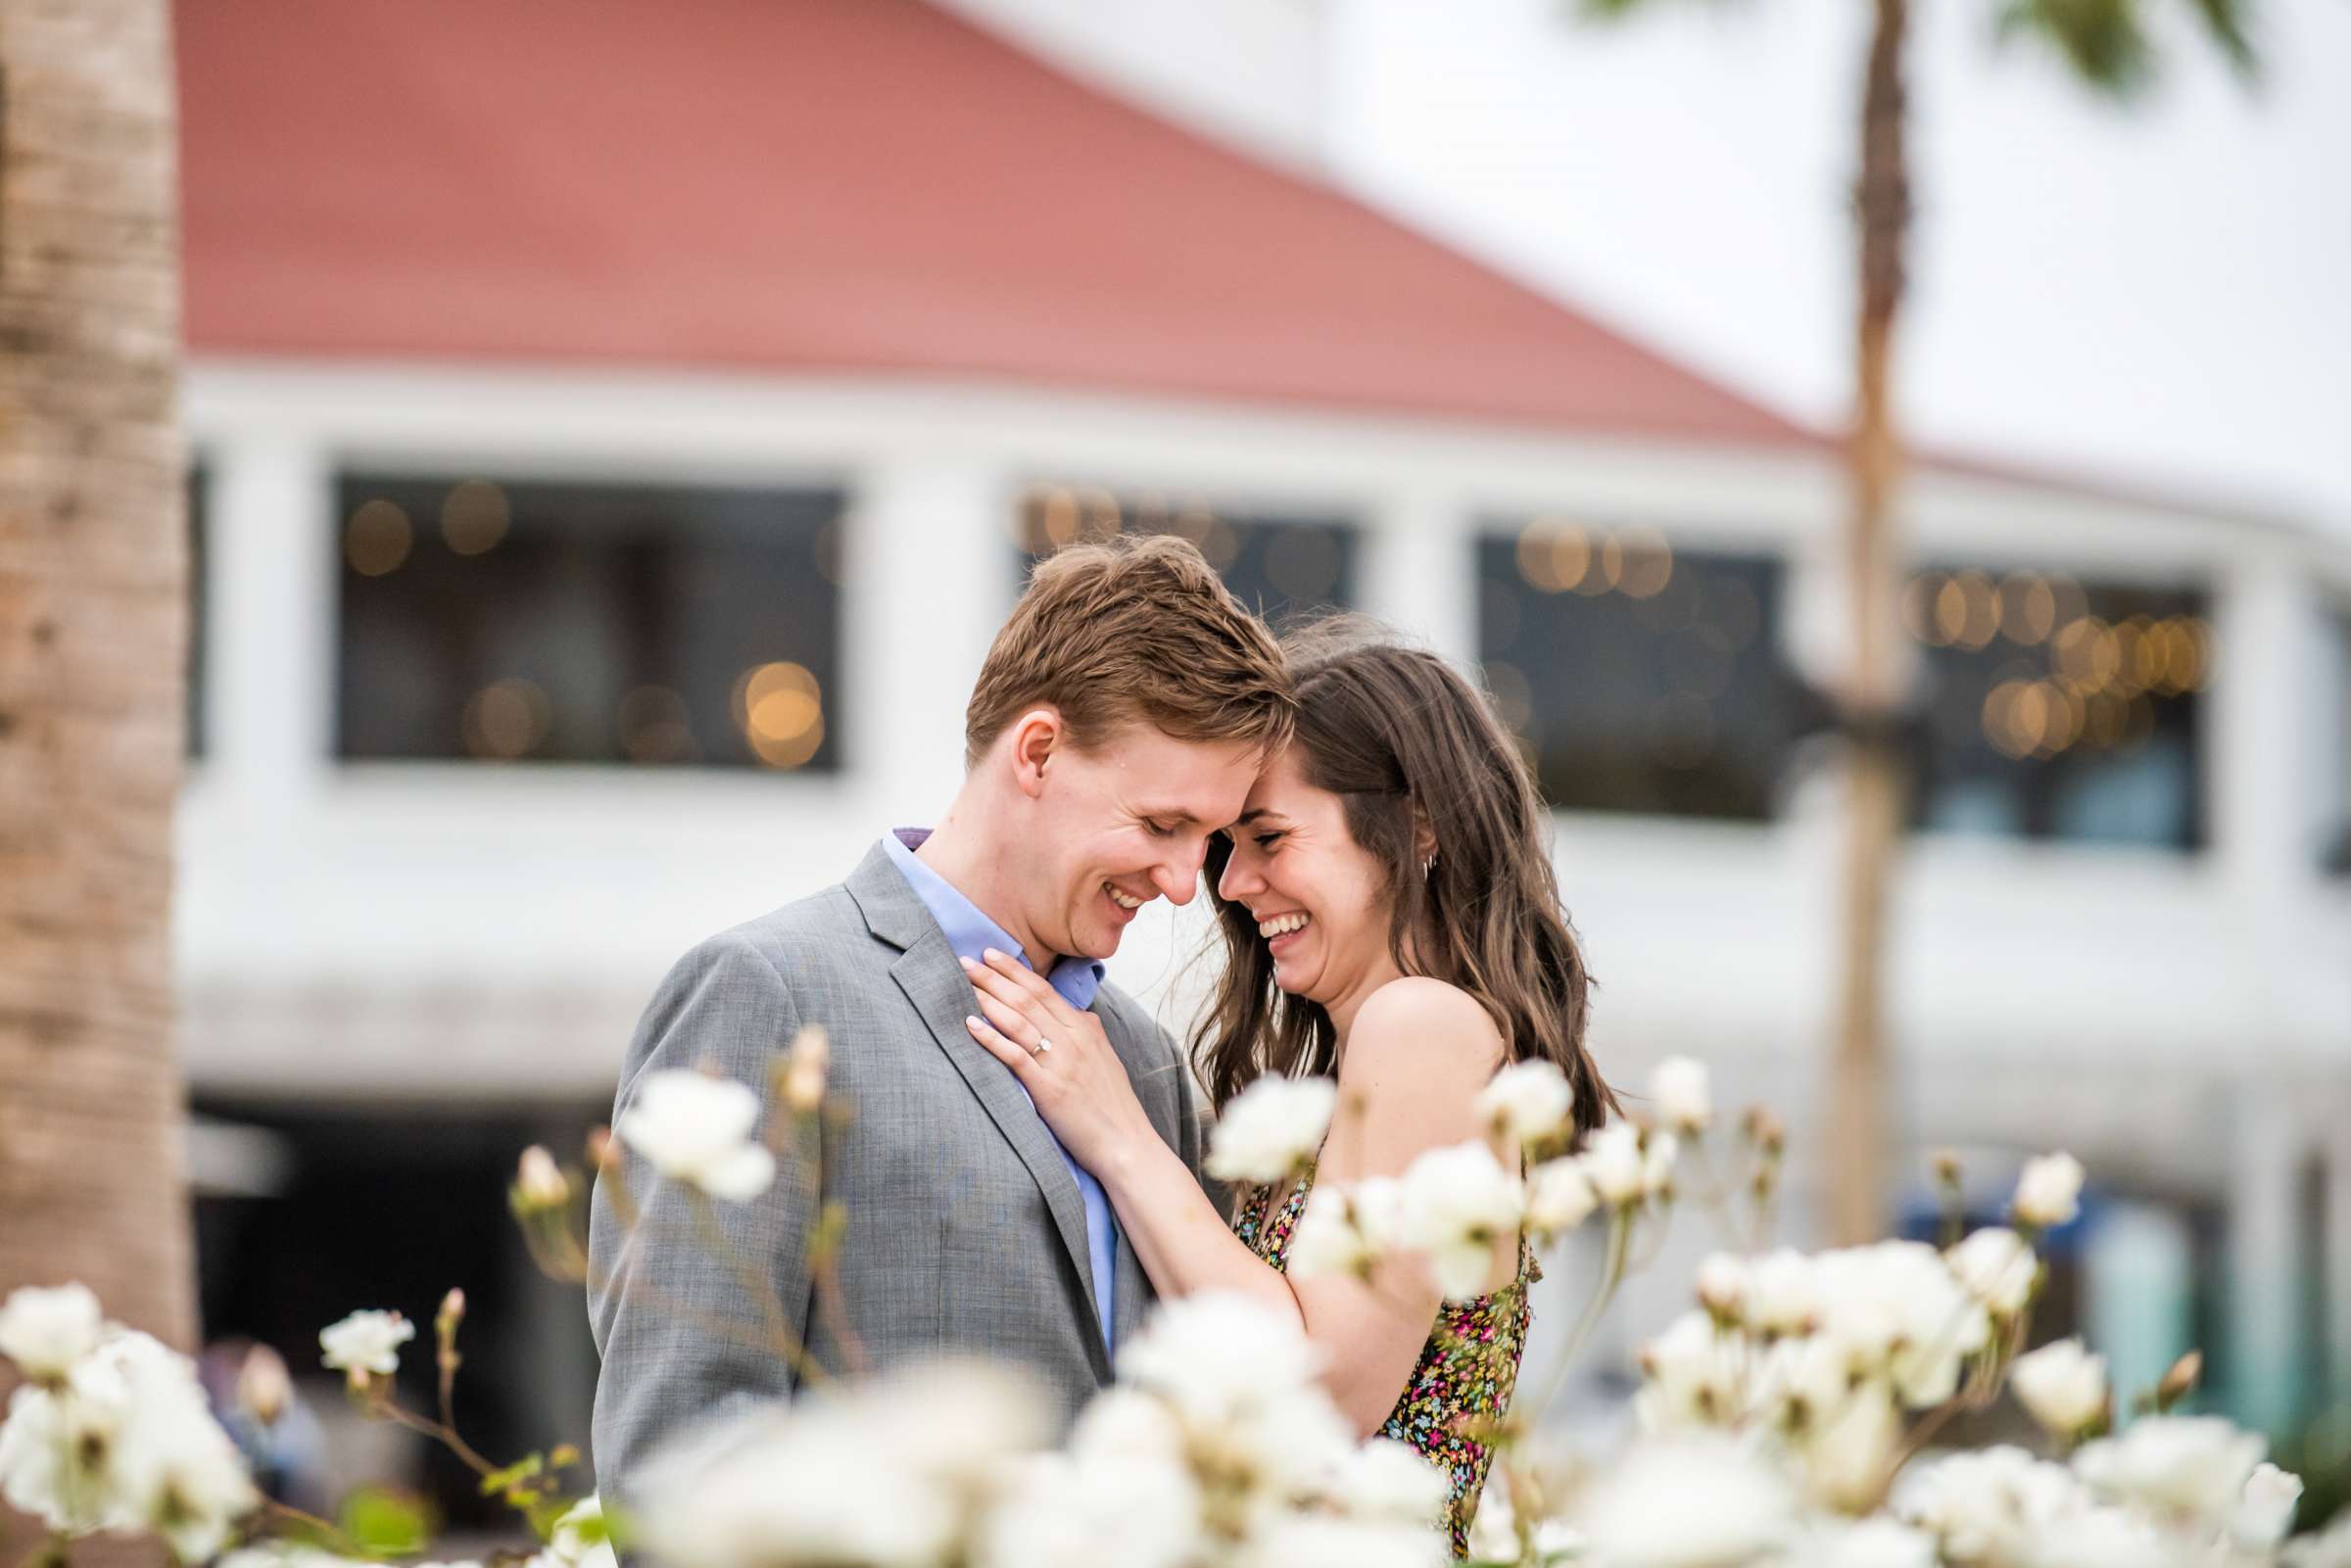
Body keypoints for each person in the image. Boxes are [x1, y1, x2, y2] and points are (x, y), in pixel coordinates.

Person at [587, 534, 1294, 1502]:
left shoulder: (1145, 1061)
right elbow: (678, 1459)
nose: (1183, 883)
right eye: (1164, 824)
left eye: (1207, 841)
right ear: (1037, 750)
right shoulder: (766, 991)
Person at [961, 621, 1614, 1555]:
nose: (1230, 881)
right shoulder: (1381, 1046)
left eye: (1267, 836)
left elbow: (1324, 1394)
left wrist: (1116, 1132)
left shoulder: (1421, 1023)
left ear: (1417, 821)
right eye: (1226, 842)